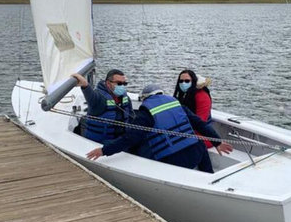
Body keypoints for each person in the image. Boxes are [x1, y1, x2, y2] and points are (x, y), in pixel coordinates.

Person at [86, 84, 233, 173]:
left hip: (173, 160)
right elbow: (200, 124)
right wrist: (217, 142)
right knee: (198, 142)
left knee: (138, 148)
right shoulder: (177, 104)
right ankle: (208, 174)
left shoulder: (145, 114)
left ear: (144, 98)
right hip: (196, 154)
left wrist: (104, 150)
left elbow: (130, 139)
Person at [71, 69, 134, 143]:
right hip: (100, 142)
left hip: (121, 139)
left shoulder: (125, 97)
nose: (122, 86)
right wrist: (85, 85)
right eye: (119, 83)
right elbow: (90, 95)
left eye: (124, 84)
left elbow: (132, 116)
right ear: (108, 83)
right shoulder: (98, 98)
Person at [173, 69, 213, 148]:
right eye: (181, 81)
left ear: (193, 81)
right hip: (185, 132)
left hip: (202, 137)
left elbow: (201, 122)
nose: (183, 83)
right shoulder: (182, 95)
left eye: (187, 81)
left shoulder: (202, 97)